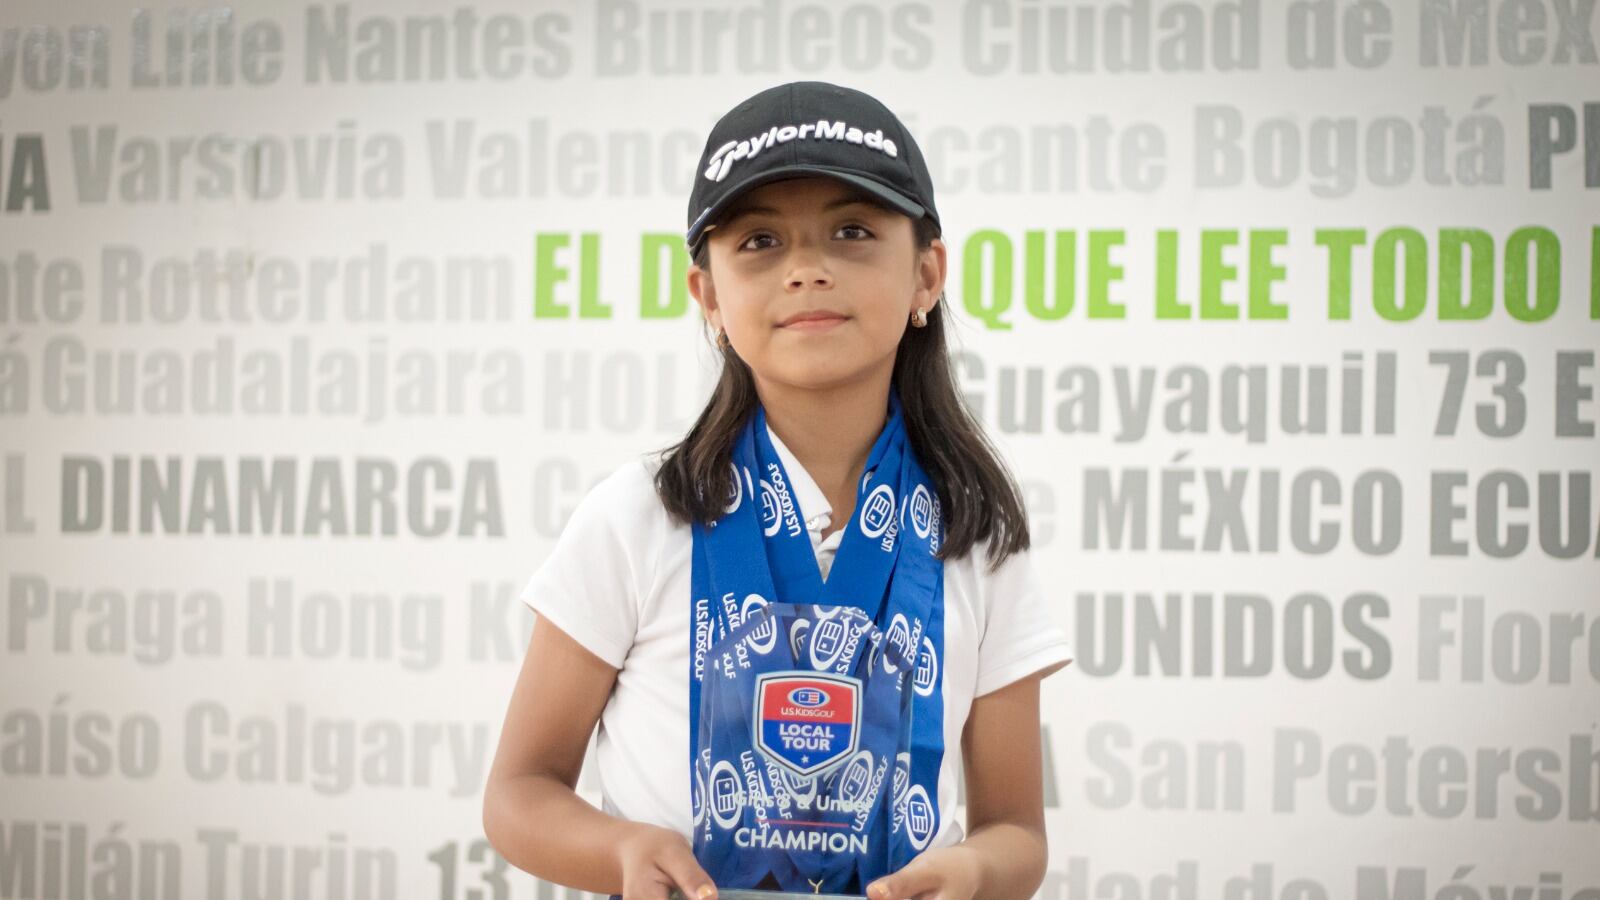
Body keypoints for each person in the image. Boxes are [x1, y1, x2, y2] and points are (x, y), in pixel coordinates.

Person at [483, 80, 1073, 900]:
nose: (806, 270)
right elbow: (517, 794)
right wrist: (618, 850)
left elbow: (1017, 832)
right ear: (710, 297)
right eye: (760, 241)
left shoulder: (974, 534)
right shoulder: (638, 516)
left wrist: (974, 870)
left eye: (853, 231)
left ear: (927, 277)